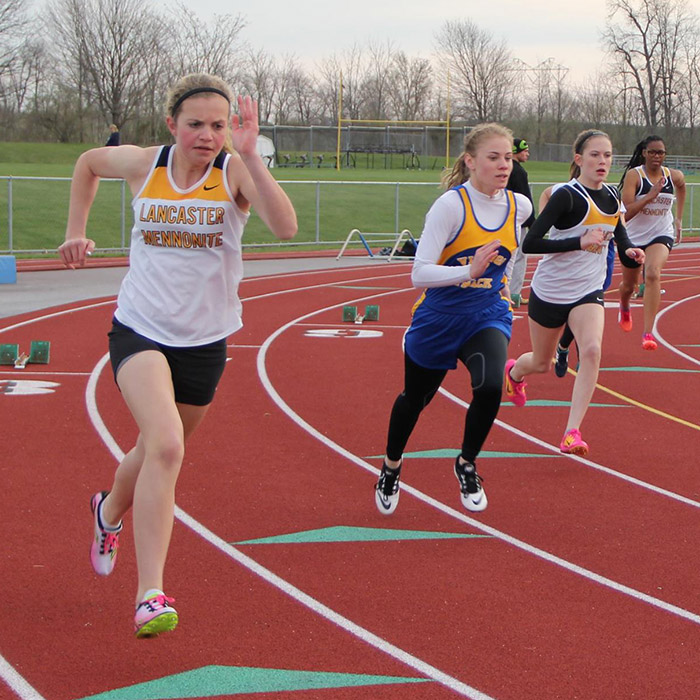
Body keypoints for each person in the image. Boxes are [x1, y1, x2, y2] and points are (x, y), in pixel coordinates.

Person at [58, 73, 297, 638]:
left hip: (205, 342)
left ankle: (107, 512)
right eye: (196, 124)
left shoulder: (233, 171)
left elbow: (286, 229)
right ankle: (150, 594)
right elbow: (89, 163)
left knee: (154, 450)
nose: (207, 135)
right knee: (166, 446)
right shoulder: (145, 164)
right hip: (139, 329)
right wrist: (76, 229)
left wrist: (252, 156)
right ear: (172, 125)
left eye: (219, 125)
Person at [374, 123, 532, 515]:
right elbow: (419, 273)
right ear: (470, 161)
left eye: (508, 157)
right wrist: (469, 271)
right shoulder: (450, 206)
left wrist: (504, 286)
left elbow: (522, 251)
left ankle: (466, 463)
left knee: (490, 386)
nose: (503, 165)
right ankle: (391, 466)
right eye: (493, 157)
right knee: (416, 399)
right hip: (439, 319)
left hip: (486, 316)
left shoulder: (520, 207)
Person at [503, 129, 645, 456]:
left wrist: (631, 251)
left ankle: (572, 432)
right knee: (541, 362)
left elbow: (619, 237)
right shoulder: (566, 196)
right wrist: (578, 242)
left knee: (592, 350)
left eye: (607, 155)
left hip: (588, 292)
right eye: (595, 155)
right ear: (579, 159)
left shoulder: (612, 197)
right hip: (550, 292)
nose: (602, 161)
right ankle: (514, 372)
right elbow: (531, 242)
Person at [617, 135, 686, 350]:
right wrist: (649, 196)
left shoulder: (671, 176)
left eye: (661, 153)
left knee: (653, 273)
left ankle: (648, 332)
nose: (657, 156)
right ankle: (625, 304)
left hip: (660, 233)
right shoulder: (634, 176)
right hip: (633, 238)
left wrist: (679, 219)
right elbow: (626, 213)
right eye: (653, 152)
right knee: (629, 286)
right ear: (645, 153)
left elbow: (682, 187)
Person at [507, 138, 535, 308]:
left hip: (502, 220)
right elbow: (526, 198)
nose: (527, 153)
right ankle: (514, 294)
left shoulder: (505, 169)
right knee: (519, 257)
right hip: (518, 222)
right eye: (524, 150)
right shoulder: (519, 172)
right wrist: (533, 222)